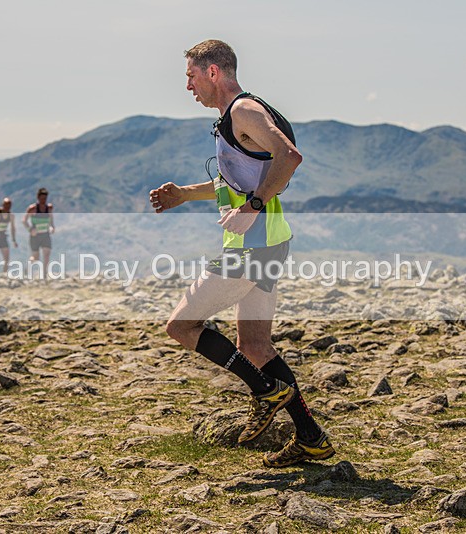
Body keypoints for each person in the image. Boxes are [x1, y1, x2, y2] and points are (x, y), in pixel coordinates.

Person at [149, 39, 334, 467]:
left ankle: (265, 391)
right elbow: (241, 180)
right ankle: (311, 437)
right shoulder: (234, 119)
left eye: (191, 77)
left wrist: (253, 207)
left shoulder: (243, 111)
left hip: (255, 247)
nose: (189, 87)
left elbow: (289, 156)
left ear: (213, 72)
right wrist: (183, 195)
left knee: (181, 325)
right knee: (254, 345)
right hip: (270, 242)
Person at [23, 187, 55, 275]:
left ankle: (44, 274)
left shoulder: (49, 208)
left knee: (47, 254)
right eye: (41, 198)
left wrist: (52, 226)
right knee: (36, 257)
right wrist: (30, 229)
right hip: (35, 236)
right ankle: (27, 270)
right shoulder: (32, 208)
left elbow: (51, 218)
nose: (43, 200)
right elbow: (24, 221)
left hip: (45, 234)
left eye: (45, 198)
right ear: (38, 197)